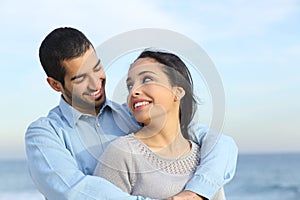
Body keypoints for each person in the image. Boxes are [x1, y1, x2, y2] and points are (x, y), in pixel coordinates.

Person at [25, 27, 238, 200]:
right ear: (55, 85)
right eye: (80, 79)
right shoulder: (45, 134)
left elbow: (218, 142)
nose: (95, 83)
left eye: (97, 68)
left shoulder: (133, 114)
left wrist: (197, 191)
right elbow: (72, 191)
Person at [93, 50, 226, 199]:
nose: (134, 91)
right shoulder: (122, 153)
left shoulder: (206, 159)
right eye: (130, 86)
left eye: (147, 79)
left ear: (178, 91)